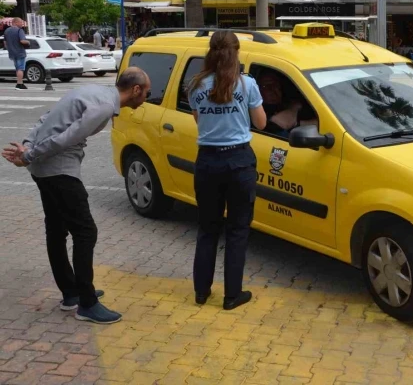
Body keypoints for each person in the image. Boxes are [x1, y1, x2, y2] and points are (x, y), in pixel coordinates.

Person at [1, 67, 151, 324]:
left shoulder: (93, 91)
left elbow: (48, 117)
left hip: (44, 168)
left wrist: (28, 145)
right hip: (59, 170)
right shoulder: (104, 106)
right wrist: (28, 154)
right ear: (135, 90)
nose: (147, 98)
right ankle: (87, 303)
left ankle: (72, 293)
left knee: (57, 229)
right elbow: (66, 138)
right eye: (146, 93)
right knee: (85, 232)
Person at [187, 30, 266, 311]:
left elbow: (199, 121)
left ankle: (201, 291)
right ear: (236, 53)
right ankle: (232, 295)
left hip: (207, 161)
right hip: (239, 161)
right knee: (237, 230)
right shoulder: (247, 85)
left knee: (207, 229)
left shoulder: (196, 85)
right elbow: (261, 123)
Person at [257, 70, 318, 138]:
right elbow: (280, 122)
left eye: (276, 85)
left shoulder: (290, 104)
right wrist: (294, 110)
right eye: (266, 86)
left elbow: (319, 123)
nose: (273, 90)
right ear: (257, 90)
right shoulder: (257, 112)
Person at [4, 18, 30, 90]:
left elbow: (5, 43)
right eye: (20, 22)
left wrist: (10, 49)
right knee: (21, 68)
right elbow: (22, 41)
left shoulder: (6, 31)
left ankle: (19, 83)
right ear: (15, 22)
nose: (22, 24)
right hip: (20, 52)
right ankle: (20, 84)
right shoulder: (19, 30)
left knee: (17, 68)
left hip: (12, 53)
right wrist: (28, 42)